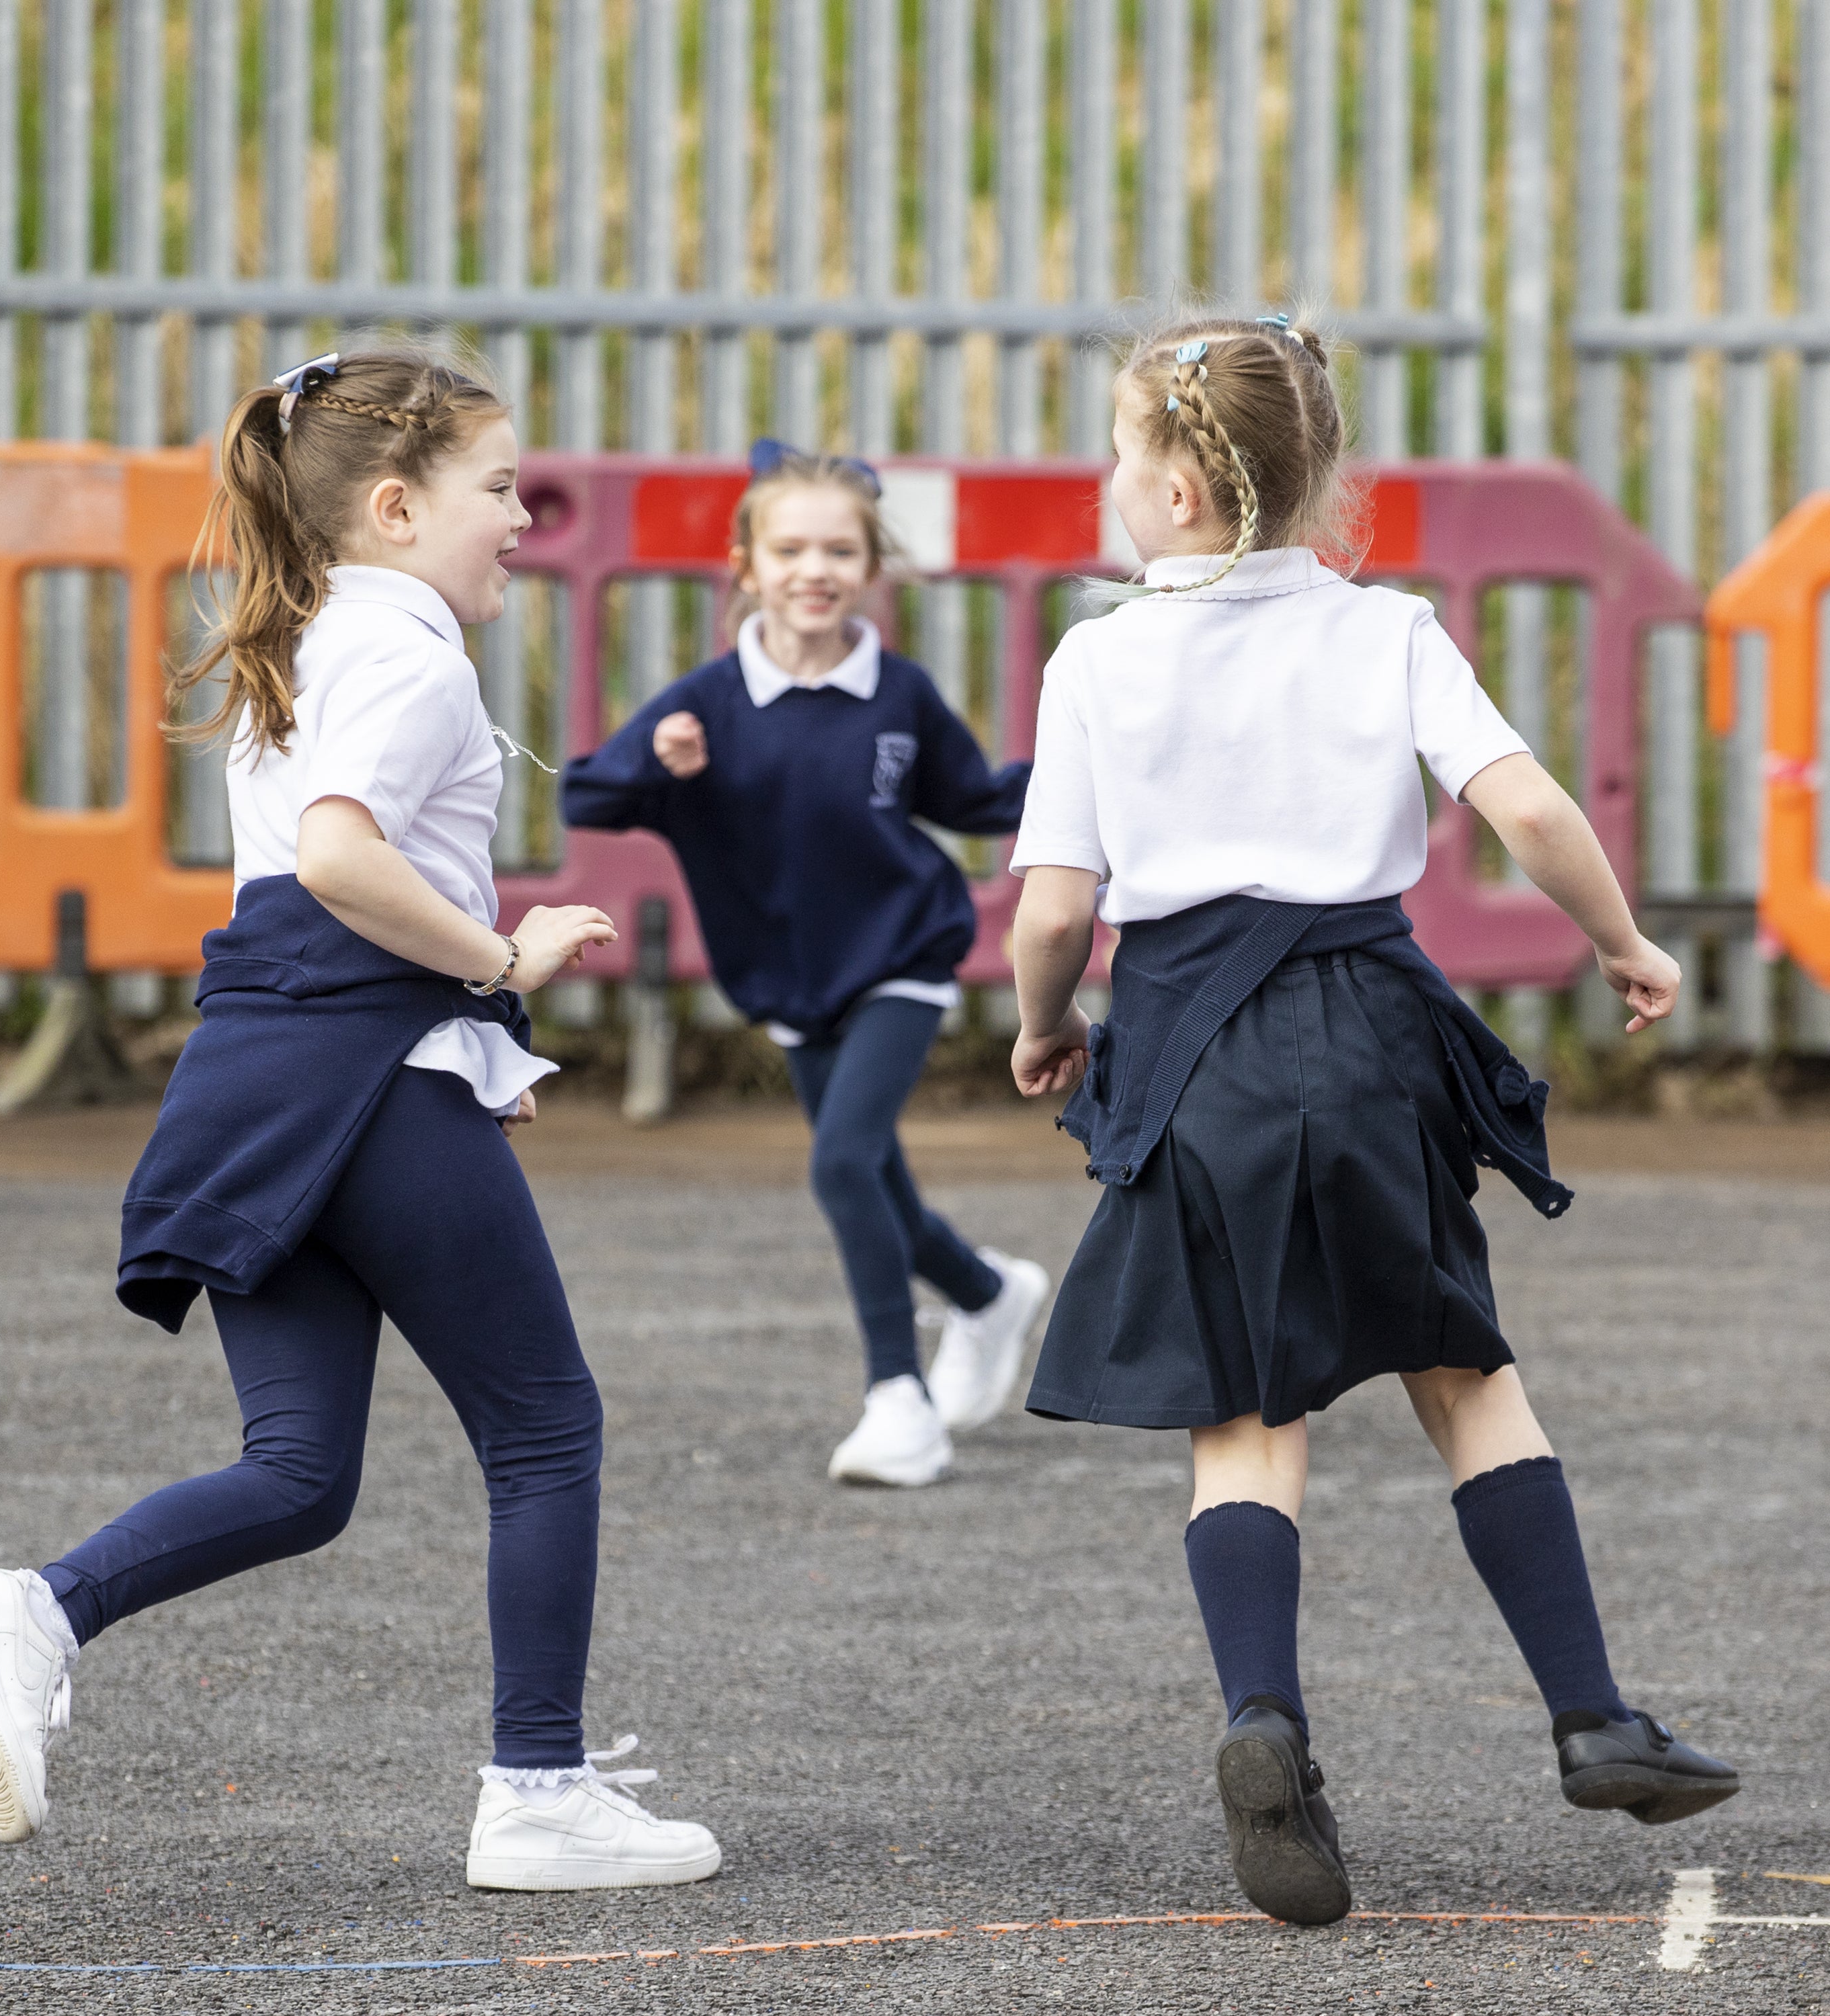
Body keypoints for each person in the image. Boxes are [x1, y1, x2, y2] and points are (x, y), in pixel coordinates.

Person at [0, 349, 720, 1892]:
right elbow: (345, 865)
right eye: (500, 489)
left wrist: (474, 1042)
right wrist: (501, 966)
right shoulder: (412, 659)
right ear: (401, 507)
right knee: (547, 1432)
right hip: (366, 1088)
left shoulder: (309, 641)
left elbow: (304, 892)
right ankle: (537, 1790)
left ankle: (41, 1607)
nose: (523, 518)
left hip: (261, 1084)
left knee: (299, 1470)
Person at [1007, 314, 1739, 1927]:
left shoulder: (1098, 657)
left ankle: (1267, 1720)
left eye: (1123, 454)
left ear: (1186, 489)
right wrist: (1625, 944)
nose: (1111, 482)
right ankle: (1593, 1712)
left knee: (1248, 1417)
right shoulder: (1386, 630)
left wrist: (1045, 1026)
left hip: (1198, 1046)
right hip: (1371, 1034)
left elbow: (1056, 908)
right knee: (1465, 1376)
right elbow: (1531, 807)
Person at [562, 442, 1048, 1487]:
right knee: (874, 1182)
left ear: (871, 565)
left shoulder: (900, 695)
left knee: (840, 1163)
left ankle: (896, 1399)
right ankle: (987, 1293)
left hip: (904, 952)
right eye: (789, 548)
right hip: (785, 976)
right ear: (746, 565)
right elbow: (585, 798)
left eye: (840, 548)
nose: (814, 568)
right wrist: (660, 766)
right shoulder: (706, 703)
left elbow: (969, 800)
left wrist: (1094, 769)